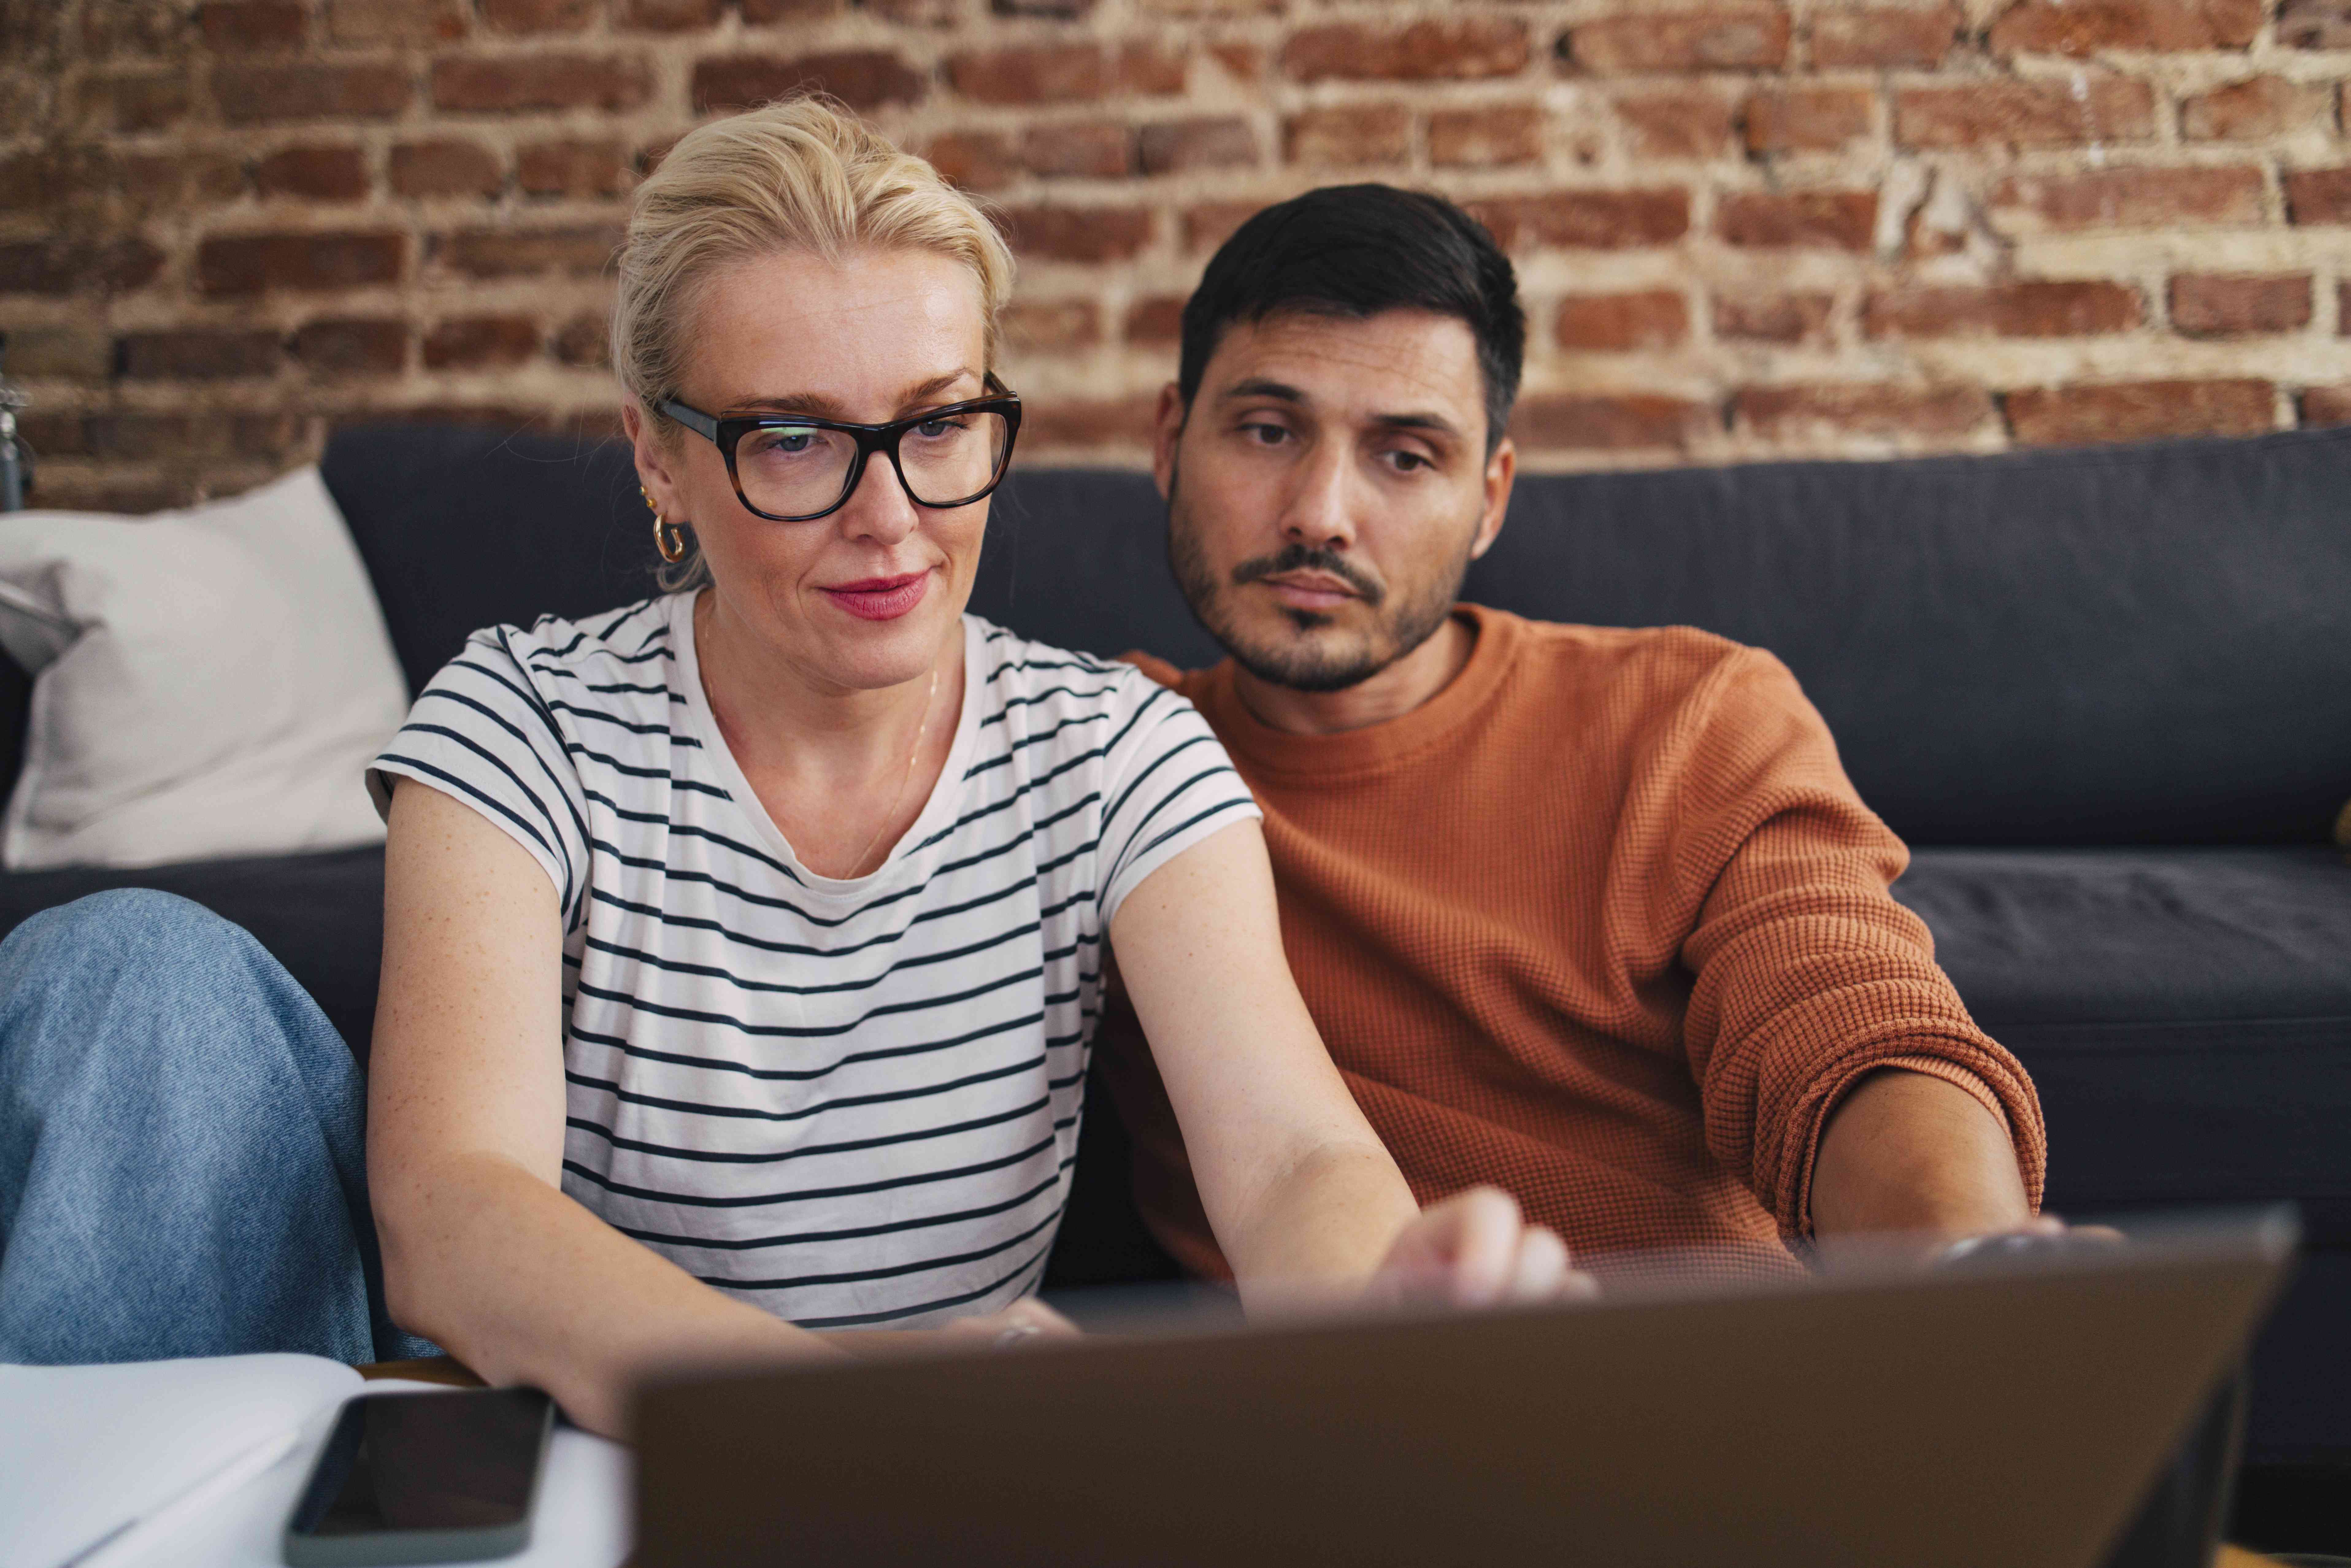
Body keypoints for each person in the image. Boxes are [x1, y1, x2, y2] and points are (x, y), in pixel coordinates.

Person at [0, 111, 1582, 1424]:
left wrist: (1395, 1303)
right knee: (122, 965)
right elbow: (456, 1213)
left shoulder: (1119, 754)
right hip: (615, 1459)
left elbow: (1294, 1152)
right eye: (795, 441)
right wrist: (829, 1424)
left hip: (947, 1484)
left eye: (937, 425)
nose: (889, 517)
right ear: (660, 457)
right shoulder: (521, 721)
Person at [1095, 185, 2054, 1287]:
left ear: (1491, 498)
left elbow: (1840, 1017)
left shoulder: (1691, 716)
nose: (1319, 511)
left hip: (1719, 1389)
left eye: (1405, 457)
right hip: (1350, 1415)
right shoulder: (1102, 759)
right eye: (1267, 432)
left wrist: (1960, 1253)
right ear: (1170, 442)